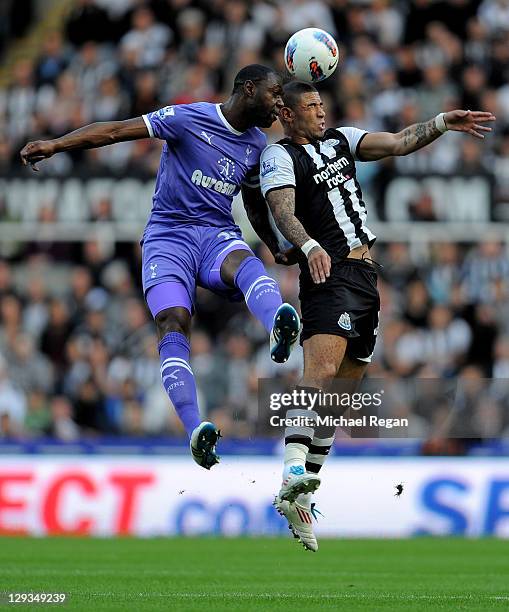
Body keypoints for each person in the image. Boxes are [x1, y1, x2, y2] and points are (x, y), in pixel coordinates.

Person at [20, 64, 301, 469]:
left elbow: (254, 203)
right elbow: (116, 131)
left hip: (215, 235)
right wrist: (57, 145)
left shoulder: (258, 145)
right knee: (172, 321)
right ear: (249, 89)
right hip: (168, 239)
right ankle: (195, 429)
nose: (280, 104)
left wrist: (274, 244)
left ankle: (278, 322)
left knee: (246, 262)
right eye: (275, 94)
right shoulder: (188, 119)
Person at [260, 79, 495, 551]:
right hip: (327, 271)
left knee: (342, 395)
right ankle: (289, 471)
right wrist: (307, 247)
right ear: (287, 114)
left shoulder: (342, 140)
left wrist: (442, 123)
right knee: (321, 371)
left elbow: (399, 142)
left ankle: (304, 491)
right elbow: (281, 212)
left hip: (366, 279)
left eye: (321, 103)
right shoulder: (279, 157)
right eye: (309, 106)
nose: (320, 111)